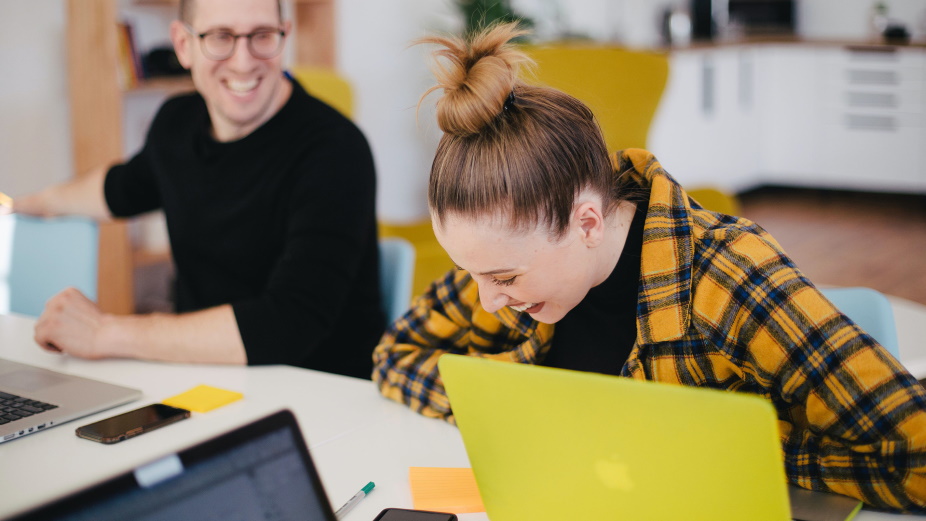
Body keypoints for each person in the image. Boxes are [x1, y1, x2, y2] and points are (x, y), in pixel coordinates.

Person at [372, 23, 926, 512]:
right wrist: (518, 412)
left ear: (587, 223)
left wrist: (737, 448)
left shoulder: (728, 277)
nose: (487, 299)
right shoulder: (508, 262)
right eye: (473, 273)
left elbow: (916, 454)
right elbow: (395, 357)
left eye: (504, 279)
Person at [11, 0, 384, 379]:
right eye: (220, 37)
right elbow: (121, 188)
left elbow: (288, 324)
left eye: (262, 36)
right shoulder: (177, 123)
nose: (243, 61)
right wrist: (32, 203)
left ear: (283, 36)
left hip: (322, 395)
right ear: (183, 45)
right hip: (204, 378)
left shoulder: (336, 150)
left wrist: (105, 332)